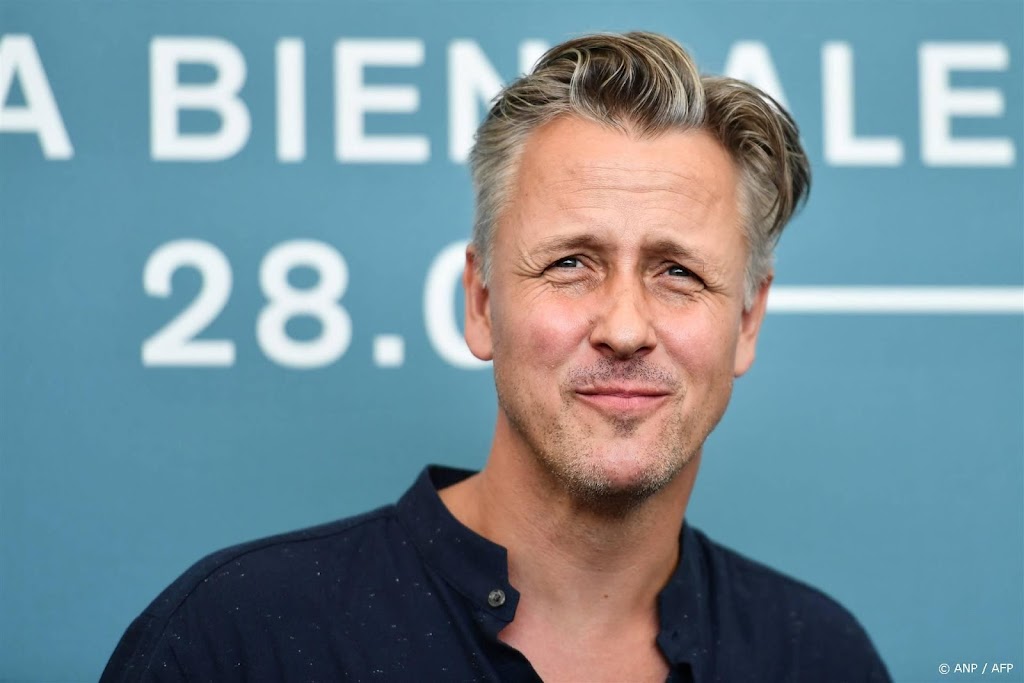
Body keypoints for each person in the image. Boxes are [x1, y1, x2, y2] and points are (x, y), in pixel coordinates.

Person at [103, 31, 891, 682]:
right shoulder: (236, 639)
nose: (624, 327)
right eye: (571, 263)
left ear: (746, 321)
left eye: (678, 272)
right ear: (481, 302)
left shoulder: (819, 658)